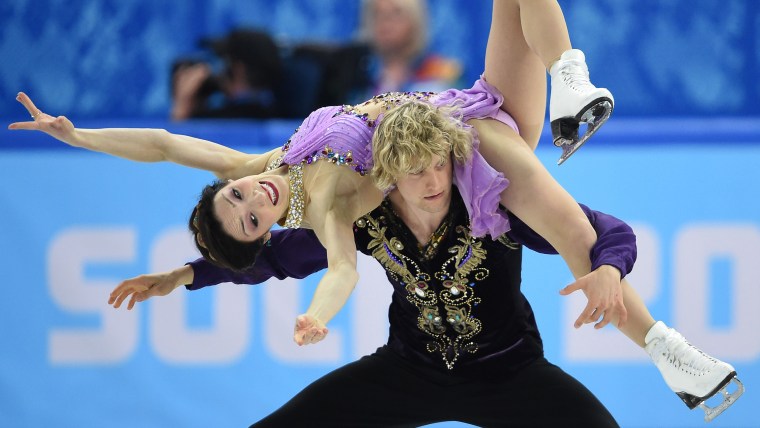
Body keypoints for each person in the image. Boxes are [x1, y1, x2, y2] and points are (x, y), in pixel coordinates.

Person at [170, 28, 283, 121]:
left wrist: (182, 107)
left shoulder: (223, 121)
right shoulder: (279, 115)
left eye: (223, 61)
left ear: (239, 69)